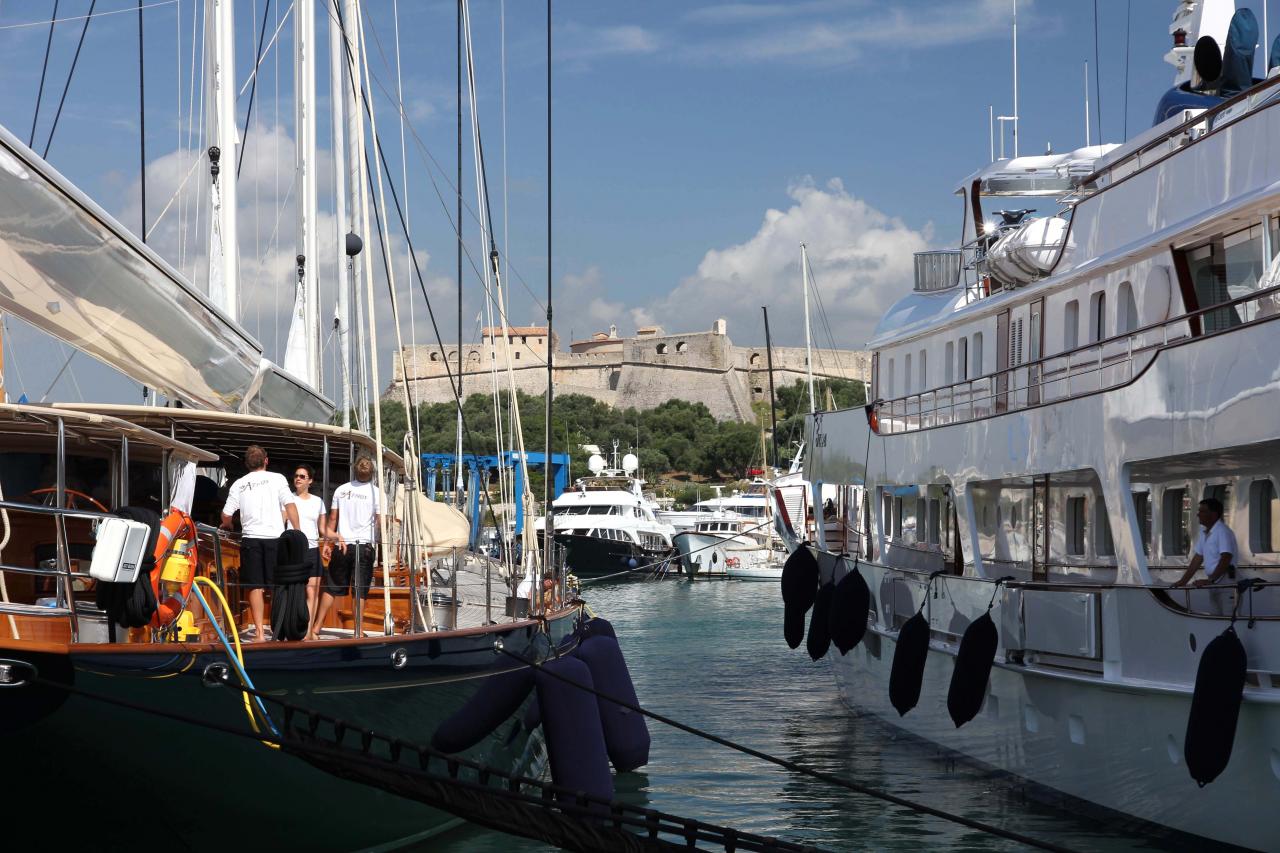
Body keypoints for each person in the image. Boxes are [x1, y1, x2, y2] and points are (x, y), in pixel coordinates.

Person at [221, 445, 300, 642]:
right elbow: (290, 506)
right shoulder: (278, 479)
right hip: (275, 539)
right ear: (266, 460)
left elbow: (226, 514)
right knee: (277, 586)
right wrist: (297, 533)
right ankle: (278, 629)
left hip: (251, 539)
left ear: (247, 464)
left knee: (255, 585)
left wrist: (227, 525)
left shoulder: (239, 483)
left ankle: (258, 633)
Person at [314, 456, 380, 638]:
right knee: (359, 589)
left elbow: (333, 520)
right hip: (364, 546)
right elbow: (380, 521)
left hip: (342, 545)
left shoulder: (341, 490)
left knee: (332, 586)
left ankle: (316, 627)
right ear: (372, 473)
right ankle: (357, 631)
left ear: (354, 470)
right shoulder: (376, 493)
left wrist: (328, 543)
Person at [1172, 497, 1237, 614]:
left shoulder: (1222, 531)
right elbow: (1198, 558)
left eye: (1202, 511)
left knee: (1228, 620)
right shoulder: (1204, 532)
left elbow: (1226, 557)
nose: (1198, 514)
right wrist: (1183, 581)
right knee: (1216, 619)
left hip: (1226, 583)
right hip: (1215, 582)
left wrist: (1210, 580)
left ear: (1214, 514)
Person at [291, 464, 328, 640]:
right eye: (296, 476)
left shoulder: (318, 502)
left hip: (312, 549)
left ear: (310, 481)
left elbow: (323, 529)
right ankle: (291, 627)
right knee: (293, 590)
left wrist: (335, 537)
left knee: (312, 591)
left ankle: (308, 631)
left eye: (302, 476)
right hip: (293, 549)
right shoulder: (288, 500)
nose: (297, 478)